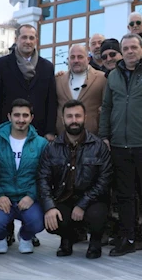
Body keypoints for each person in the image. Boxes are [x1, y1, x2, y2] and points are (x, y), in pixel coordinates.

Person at [100, 33, 142, 259]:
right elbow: (107, 107)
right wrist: (105, 136)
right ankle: (127, 239)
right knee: (125, 196)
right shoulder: (113, 75)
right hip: (119, 145)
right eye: (126, 48)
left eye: (133, 47)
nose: (130, 51)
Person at [40, 100, 113, 258]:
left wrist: (83, 204)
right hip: (64, 198)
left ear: (85, 117)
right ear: (62, 119)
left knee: (96, 216)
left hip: (93, 200)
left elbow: (104, 180)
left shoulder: (99, 146)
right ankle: (67, 238)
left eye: (78, 116)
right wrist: (49, 207)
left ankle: (95, 240)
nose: (74, 120)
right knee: (52, 218)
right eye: (70, 116)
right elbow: (43, 179)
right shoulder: (52, 147)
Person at [0, 99, 48, 254]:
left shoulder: (41, 144)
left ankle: (26, 236)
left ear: (31, 118)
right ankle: (0, 237)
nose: (21, 119)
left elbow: (44, 175)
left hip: (26, 197)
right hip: (3, 196)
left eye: (25, 115)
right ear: (9, 117)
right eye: (17, 115)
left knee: (38, 221)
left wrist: (32, 195)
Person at [0, 24, 58, 141]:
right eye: (24, 37)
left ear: (36, 40)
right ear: (16, 39)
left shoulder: (47, 67)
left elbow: (51, 102)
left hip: (39, 133)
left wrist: (50, 131)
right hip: (7, 132)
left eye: (31, 38)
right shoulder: (0, 65)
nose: (28, 41)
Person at [55, 44, 106, 136]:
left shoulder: (102, 78)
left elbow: (106, 108)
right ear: (68, 60)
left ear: (88, 59)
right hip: (63, 136)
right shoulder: (58, 79)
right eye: (72, 57)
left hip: (92, 136)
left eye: (80, 57)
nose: (76, 60)